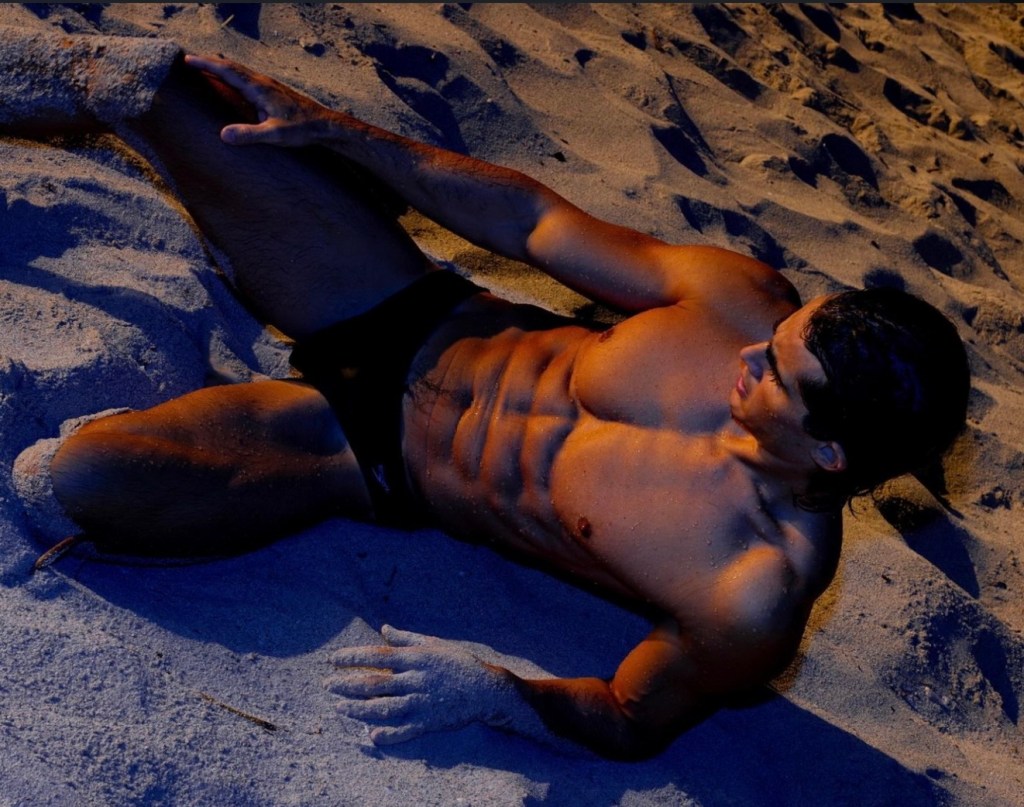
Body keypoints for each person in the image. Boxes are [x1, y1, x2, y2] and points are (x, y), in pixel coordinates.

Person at [21, 54, 970, 760]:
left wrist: (500, 694)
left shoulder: (750, 589)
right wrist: (343, 134)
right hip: (398, 303)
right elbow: (535, 223)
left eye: (777, 372)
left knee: (67, 482)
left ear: (831, 453)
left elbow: (631, 718)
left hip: (365, 454)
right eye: (780, 333)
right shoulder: (741, 302)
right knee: (156, 88)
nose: (754, 350)